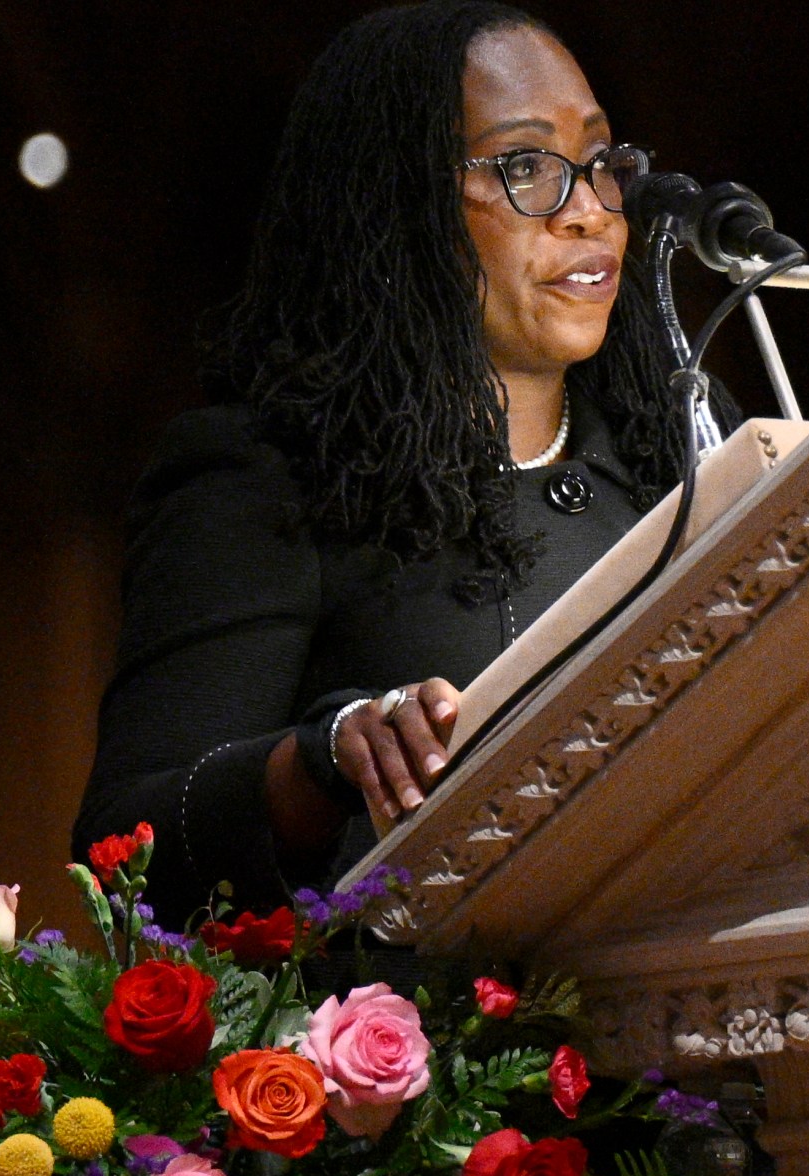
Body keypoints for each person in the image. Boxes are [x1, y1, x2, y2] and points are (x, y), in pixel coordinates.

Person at [74, 0, 732, 926]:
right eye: (526, 167)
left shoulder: (685, 439)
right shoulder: (272, 478)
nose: (588, 212)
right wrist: (319, 762)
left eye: (599, 163)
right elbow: (121, 845)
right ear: (401, 201)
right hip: (425, 1046)